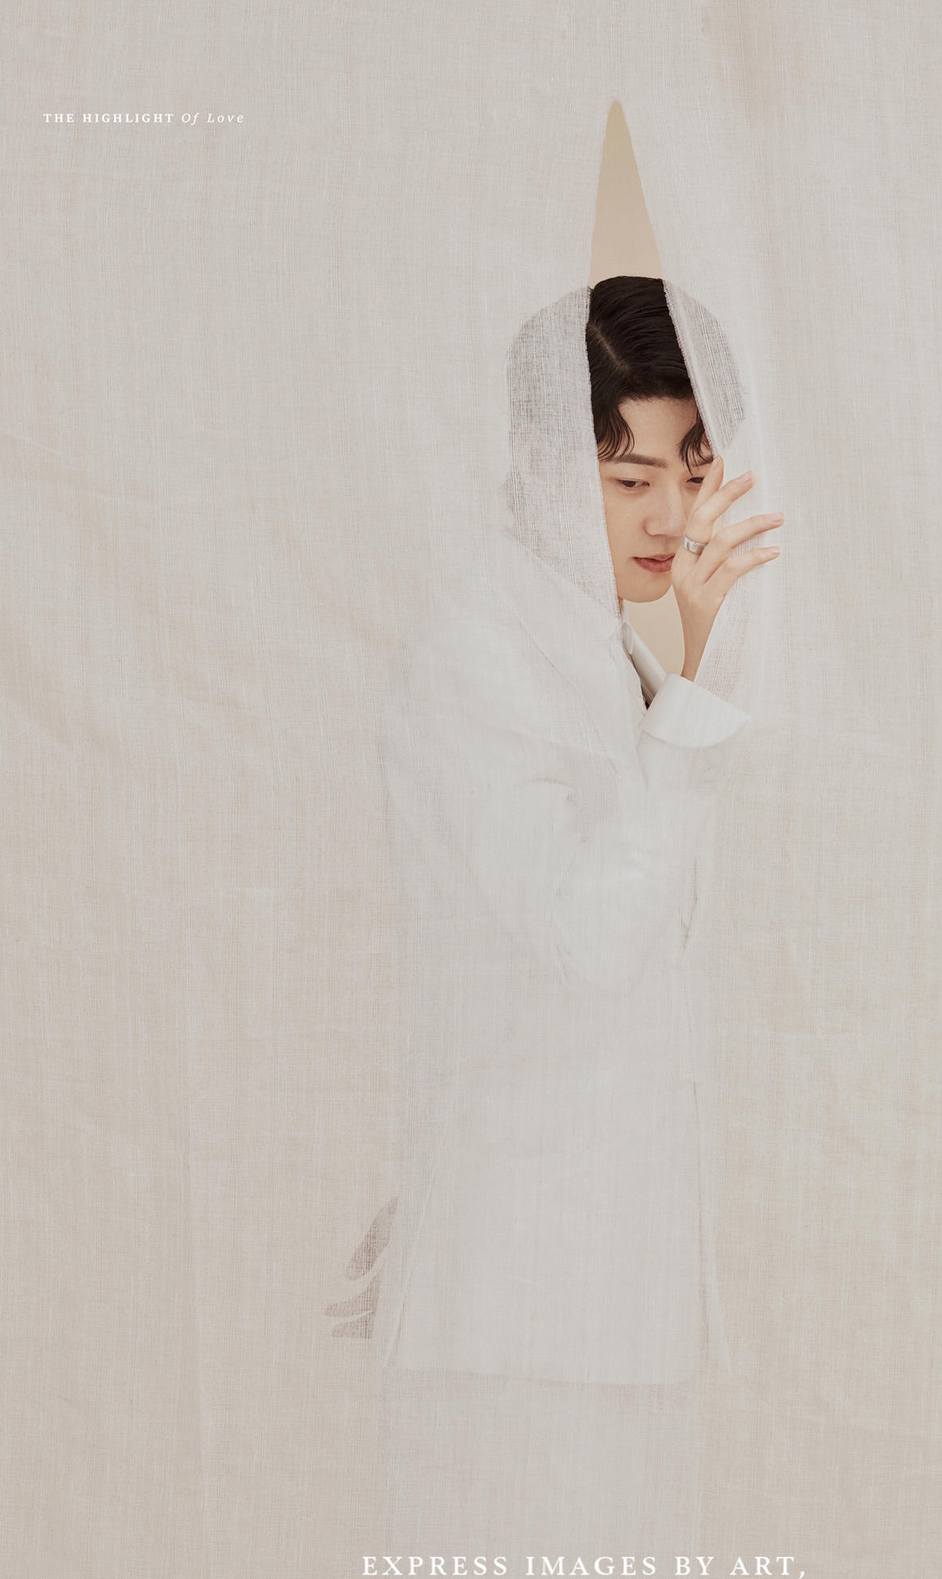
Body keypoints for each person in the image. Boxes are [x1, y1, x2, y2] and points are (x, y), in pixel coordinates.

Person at [328, 277, 780, 1551]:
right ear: (536, 458)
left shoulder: (593, 647)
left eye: (694, 470)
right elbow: (594, 936)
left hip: (609, 1302)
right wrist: (698, 691)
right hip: (526, 1312)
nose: (671, 515)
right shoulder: (474, 660)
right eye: (628, 477)